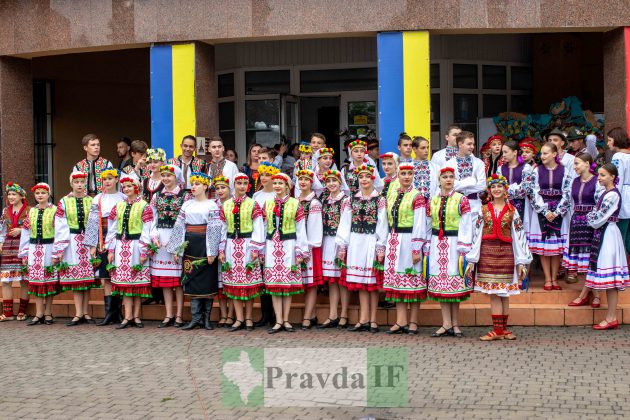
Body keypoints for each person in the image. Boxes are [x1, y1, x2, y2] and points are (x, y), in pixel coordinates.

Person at [466, 174, 532, 341]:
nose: (496, 189)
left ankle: (503, 329)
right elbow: (477, 234)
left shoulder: (512, 211)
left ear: (505, 190)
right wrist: (472, 259)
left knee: (504, 293)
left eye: (499, 187)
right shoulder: (483, 210)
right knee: (494, 293)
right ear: (489, 190)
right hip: (487, 253)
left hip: (506, 254)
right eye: (493, 187)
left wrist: (522, 261)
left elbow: (519, 235)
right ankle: (498, 330)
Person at [167, 173, 225, 330]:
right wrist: (176, 249)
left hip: (204, 244)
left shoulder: (212, 205)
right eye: (192, 184)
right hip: (190, 244)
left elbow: (214, 228)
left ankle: (206, 319)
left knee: (207, 281)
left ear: (205, 186)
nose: (193, 187)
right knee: (191, 279)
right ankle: (195, 318)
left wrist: (212, 251)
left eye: (197, 184)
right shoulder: (187, 205)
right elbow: (179, 226)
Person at [336, 164, 388, 333]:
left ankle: (373, 320)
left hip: (371, 241)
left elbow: (382, 224)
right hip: (356, 241)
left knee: (371, 282)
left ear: (373, 179)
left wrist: (381, 246)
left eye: (367, 177)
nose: (364, 180)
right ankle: (363, 318)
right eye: (361, 177)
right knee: (360, 283)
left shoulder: (379, 199)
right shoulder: (350, 200)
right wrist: (342, 244)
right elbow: (345, 223)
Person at [382, 163, 429, 335]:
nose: (406, 176)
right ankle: (400, 321)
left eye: (410, 173)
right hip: (394, 239)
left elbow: (419, 224)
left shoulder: (417, 196)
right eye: (403, 173)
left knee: (413, 281)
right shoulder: (392, 194)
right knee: (397, 282)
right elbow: (386, 220)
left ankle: (414, 322)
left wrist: (417, 247)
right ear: (399, 175)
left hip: (410, 239)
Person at [427, 167, 473, 337]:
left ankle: (455, 323)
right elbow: (427, 223)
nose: (448, 180)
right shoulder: (433, 200)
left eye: (451, 177)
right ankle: (446, 323)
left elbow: (467, 224)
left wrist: (463, 248)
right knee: (442, 284)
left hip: (455, 244)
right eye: (445, 177)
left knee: (455, 283)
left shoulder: (462, 200)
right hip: (437, 244)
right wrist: (425, 246)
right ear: (439, 180)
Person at [105, 176, 155, 329]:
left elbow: (147, 229)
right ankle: (127, 317)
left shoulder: (144, 206)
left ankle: (137, 316)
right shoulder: (118, 205)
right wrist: (111, 249)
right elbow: (112, 228)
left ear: (137, 187)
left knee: (137, 283)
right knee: (126, 283)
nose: (126, 189)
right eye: (124, 186)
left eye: (129, 186)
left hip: (137, 245)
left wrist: (144, 250)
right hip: (121, 247)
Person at [218, 173, 265, 332]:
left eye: (245, 183)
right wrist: (221, 249)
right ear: (234, 185)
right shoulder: (226, 205)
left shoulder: (253, 204)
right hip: (231, 246)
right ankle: (239, 318)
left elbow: (258, 226)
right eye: (239, 183)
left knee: (249, 284)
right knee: (234, 284)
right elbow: (223, 228)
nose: (242, 186)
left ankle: (249, 318)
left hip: (247, 246)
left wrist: (255, 248)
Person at [262, 172, 308, 334]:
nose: (277, 186)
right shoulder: (267, 203)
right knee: (275, 285)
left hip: (289, 245)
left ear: (287, 186)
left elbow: (301, 228)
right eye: (275, 183)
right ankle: (278, 320)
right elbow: (262, 227)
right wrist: (260, 248)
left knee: (287, 285)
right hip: (272, 246)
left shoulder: (295, 204)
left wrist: (301, 250)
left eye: (280, 183)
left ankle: (286, 320)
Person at [586, 164, 630, 330]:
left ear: (612, 176)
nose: (599, 178)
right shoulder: (606, 193)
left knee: (611, 281)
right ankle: (610, 317)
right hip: (605, 234)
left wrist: (590, 216)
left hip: (609, 235)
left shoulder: (612, 195)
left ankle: (611, 317)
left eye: (603, 175)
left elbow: (597, 219)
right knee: (610, 281)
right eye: (599, 175)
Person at [53, 171, 97, 326]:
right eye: (76, 182)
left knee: (87, 279)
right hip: (71, 241)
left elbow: (93, 223)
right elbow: (60, 224)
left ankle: (86, 312)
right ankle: (78, 312)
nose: (79, 185)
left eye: (82, 182)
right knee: (77, 279)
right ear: (71, 183)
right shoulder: (64, 201)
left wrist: (93, 244)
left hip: (87, 242)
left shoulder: (91, 201)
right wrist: (60, 247)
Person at [84, 169, 126, 326]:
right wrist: (92, 244)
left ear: (116, 180)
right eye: (104, 179)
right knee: (105, 276)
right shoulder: (98, 198)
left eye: (110, 178)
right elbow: (93, 222)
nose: (107, 182)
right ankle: (110, 313)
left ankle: (119, 312)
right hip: (102, 238)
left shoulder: (122, 197)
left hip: (118, 237)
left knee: (117, 274)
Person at [149, 164, 189, 328]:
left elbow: (185, 220)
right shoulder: (156, 196)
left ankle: (179, 315)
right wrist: (154, 235)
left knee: (177, 281)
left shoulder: (185, 196)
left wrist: (178, 244)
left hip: (177, 236)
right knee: (166, 281)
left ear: (176, 177)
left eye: (169, 176)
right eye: (163, 176)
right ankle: (168, 314)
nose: (166, 179)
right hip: (161, 239)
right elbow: (152, 218)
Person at [529, 142, 572, 290]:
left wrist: (558, 211)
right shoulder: (536, 171)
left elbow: (567, 192)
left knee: (556, 249)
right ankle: (547, 278)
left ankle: (555, 279)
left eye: (546, 153)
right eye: (541, 153)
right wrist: (545, 211)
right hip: (542, 212)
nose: (542, 156)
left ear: (554, 154)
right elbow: (534, 192)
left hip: (559, 212)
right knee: (544, 248)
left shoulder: (565, 170)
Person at [564, 153, 602, 306]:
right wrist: (552, 213)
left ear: (587, 163)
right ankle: (593, 294)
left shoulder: (597, 181)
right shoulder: (573, 181)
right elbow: (567, 201)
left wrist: (593, 220)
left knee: (590, 260)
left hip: (590, 224)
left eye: (577, 163)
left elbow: (599, 204)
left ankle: (588, 294)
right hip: (576, 224)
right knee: (585, 263)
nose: (575, 167)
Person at [19, 183, 59, 325]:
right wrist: (24, 253)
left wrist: (56, 252)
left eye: (43, 193)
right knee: (36, 283)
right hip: (34, 249)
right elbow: (25, 233)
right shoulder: (32, 212)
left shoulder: (55, 210)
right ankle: (38, 313)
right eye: (37, 193)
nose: (40, 195)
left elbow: (59, 232)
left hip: (49, 248)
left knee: (49, 282)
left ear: (48, 194)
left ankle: (48, 313)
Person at [317, 170, 349, 330]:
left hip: (340, 241)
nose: (331, 184)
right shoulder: (324, 200)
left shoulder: (345, 200)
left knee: (341, 280)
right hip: (327, 240)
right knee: (332, 280)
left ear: (340, 182)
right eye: (328, 181)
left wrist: (343, 244)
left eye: (334, 181)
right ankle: (333, 315)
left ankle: (344, 314)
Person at [252, 162, 280, 328]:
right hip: (259, 238)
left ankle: (277, 315)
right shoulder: (256, 196)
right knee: (262, 278)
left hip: (273, 239)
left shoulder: (276, 196)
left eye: (267, 175)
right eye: (261, 175)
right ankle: (265, 314)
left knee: (273, 276)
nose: (264, 178)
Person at [296, 169, 323, 329]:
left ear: (312, 182)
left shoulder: (314, 203)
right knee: (305, 281)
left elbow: (314, 228)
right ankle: (311, 314)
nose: (303, 182)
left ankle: (307, 316)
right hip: (298, 245)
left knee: (311, 282)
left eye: (306, 179)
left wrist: (308, 247)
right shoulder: (295, 200)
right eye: (301, 179)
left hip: (310, 246)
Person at [0, 183, 29, 322]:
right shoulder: (5, 211)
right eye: (9, 194)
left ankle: (22, 311)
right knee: (6, 280)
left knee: (24, 279)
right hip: (8, 247)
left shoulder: (29, 211)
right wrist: (0, 243)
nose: (11, 197)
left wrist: (21, 230)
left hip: (23, 246)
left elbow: (33, 229)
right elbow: (2, 230)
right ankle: (8, 313)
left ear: (21, 196)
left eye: (14, 194)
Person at [444, 131, 486, 218]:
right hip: (455, 205)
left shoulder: (479, 163)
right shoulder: (449, 164)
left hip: (475, 206)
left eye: (473, 144)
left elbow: (482, 185)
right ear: (460, 144)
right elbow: (449, 185)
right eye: (469, 144)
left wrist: (460, 186)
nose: (472, 147)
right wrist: (471, 181)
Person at [213, 175, 235, 328]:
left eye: (223, 188)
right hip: (216, 245)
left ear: (229, 189)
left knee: (231, 279)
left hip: (231, 243)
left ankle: (232, 314)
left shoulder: (234, 203)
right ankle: (223, 313)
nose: (220, 191)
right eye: (218, 188)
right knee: (220, 282)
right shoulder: (213, 205)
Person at [496, 140, 534, 228]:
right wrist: (514, 188)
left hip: (522, 205)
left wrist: (506, 189)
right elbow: (498, 189)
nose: (503, 155)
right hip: (503, 205)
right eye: (502, 152)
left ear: (515, 152)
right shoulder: (500, 169)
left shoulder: (526, 168)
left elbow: (524, 191)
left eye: (505, 152)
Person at [609, 127, 630, 264]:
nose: (608, 143)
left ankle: (621, 273)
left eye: (610, 140)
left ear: (616, 140)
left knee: (620, 238)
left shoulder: (618, 157)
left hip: (624, 200)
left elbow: (617, 181)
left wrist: (613, 201)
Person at [411, 136, 439, 201]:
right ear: (415, 149)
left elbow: (439, 187)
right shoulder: (408, 167)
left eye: (427, 147)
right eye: (423, 148)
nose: (426, 150)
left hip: (432, 205)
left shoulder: (436, 167)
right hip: (412, 205)